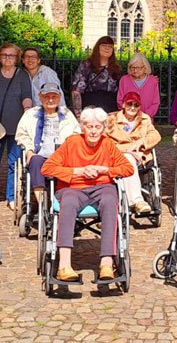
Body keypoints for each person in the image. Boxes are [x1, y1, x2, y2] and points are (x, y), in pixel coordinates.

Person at [42, 107, 133, 281]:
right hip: (72, 187)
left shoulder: (107, 144)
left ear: (103, 128)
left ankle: (106, 263)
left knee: (110, 199)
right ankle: (64, 266)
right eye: (89, 126)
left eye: (98, 127)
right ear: (82, 127)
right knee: (68, 202)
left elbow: (127, 168)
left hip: (102, 187)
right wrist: (78, 171)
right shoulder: (71, 143)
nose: (93, 131)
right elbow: (47, 168)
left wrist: (104, 170)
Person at [0, 43, 33, 209]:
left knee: (14, 163)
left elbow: (27, 96)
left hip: (16, 126)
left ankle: (11, 197)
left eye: (11, 55)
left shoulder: (22, 75)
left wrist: (27, 111)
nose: (7, 58)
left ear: (17, 58)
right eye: (4, 54)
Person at [15, 82, 81, 202]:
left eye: (54, 97)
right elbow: (21, 135)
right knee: (34, 160)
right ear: (40, 97)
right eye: (46, 97)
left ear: (59, 97)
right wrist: (29, 151)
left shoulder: (67, 114)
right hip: (40, 155)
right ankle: (42, 203)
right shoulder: (30, 114)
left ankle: (65, 200)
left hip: (62, 156)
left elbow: (77, 135)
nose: (50, 100)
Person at [105, 92, 160, 214]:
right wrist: (127, 150)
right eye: (129, 104)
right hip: (116, 155)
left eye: (136, 105)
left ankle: (132, 200)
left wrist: (141, 141)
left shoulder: (144, 119)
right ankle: (137, 201)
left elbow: (155, 135)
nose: (133, 107)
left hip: (139, 156)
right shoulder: (111, 119)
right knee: (127, 158)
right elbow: (104, 140)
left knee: (128, 158)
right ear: (123, 105)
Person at [72, 36, 121, 114]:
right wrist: (78, 114)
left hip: (111, 110)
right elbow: (76, 91)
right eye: (104, 45)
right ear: (97, 47)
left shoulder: (116, 68)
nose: (107, 48)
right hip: (90, 108)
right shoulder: (86, 65)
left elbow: (120, 91)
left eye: (110, 46)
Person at [116, 52, 160, 118]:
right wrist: (130, 114)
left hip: (146, 119)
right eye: (132, 67)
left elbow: (156, 102)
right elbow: (120, 100)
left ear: (145, 67)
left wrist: (145, 116)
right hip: (128, 119)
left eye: (138, 68)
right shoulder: (124, 80)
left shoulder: (153, 81)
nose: (135, 70)